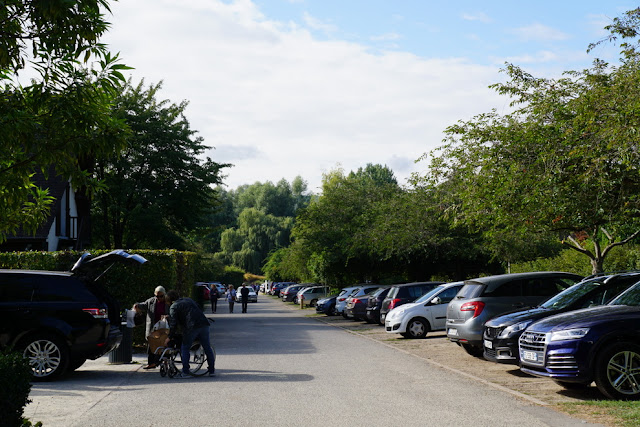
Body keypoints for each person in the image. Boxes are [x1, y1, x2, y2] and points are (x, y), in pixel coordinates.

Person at [164, 290, 216, 378]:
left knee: (185, 348)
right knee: (207, 347)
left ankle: (185, 372)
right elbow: (198, 308)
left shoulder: (173, 307)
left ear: (168, 300)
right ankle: (211, 371)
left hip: (191, 327)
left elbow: (173, 324)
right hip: (203, 324)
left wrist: (169, 337)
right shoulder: (189, 300)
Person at [134, 286, 169, 369]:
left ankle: (165, 362)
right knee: (151, 344)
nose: (159, 298)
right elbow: (143, 305)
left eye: (161, 296)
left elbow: (173, 312)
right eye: (157, 296)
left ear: (164, 294)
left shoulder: (168, 302)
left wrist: (168, 317)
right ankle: (151, 363)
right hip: (153, 327)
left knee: (165, 343)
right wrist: (137, 306)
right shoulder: (151, 301)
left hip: (164, 326)